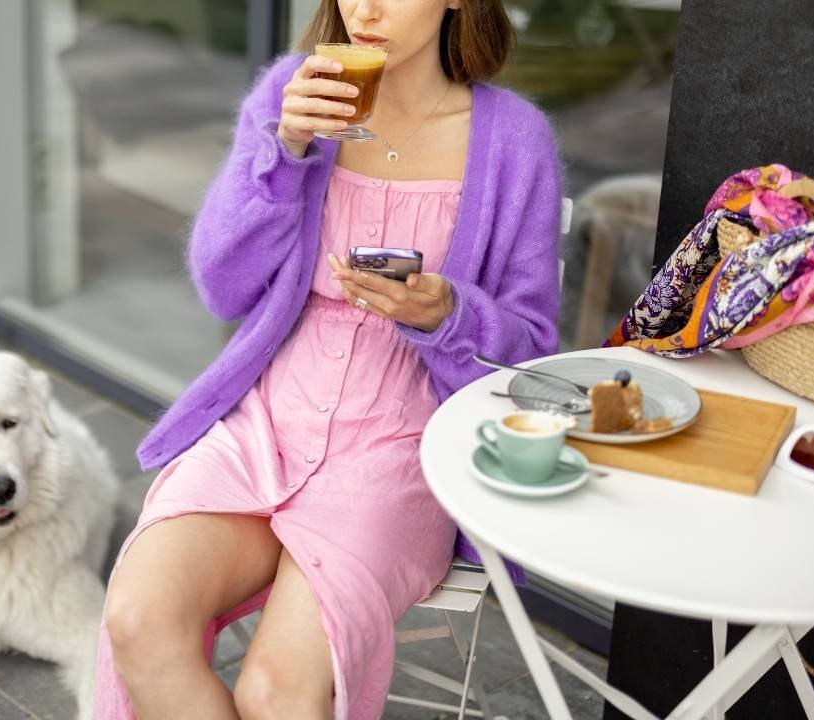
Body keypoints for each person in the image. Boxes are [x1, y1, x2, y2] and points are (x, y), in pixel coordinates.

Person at [94, 0, 562, 717]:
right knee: (137, 617)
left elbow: (529, 355)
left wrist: (446, 313)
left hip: (401, 442)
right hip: (266, 422)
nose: (365, 9)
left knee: (276, 692)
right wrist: (282, 151)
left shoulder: (515, 140)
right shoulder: (292, 93)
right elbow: (223, 286)